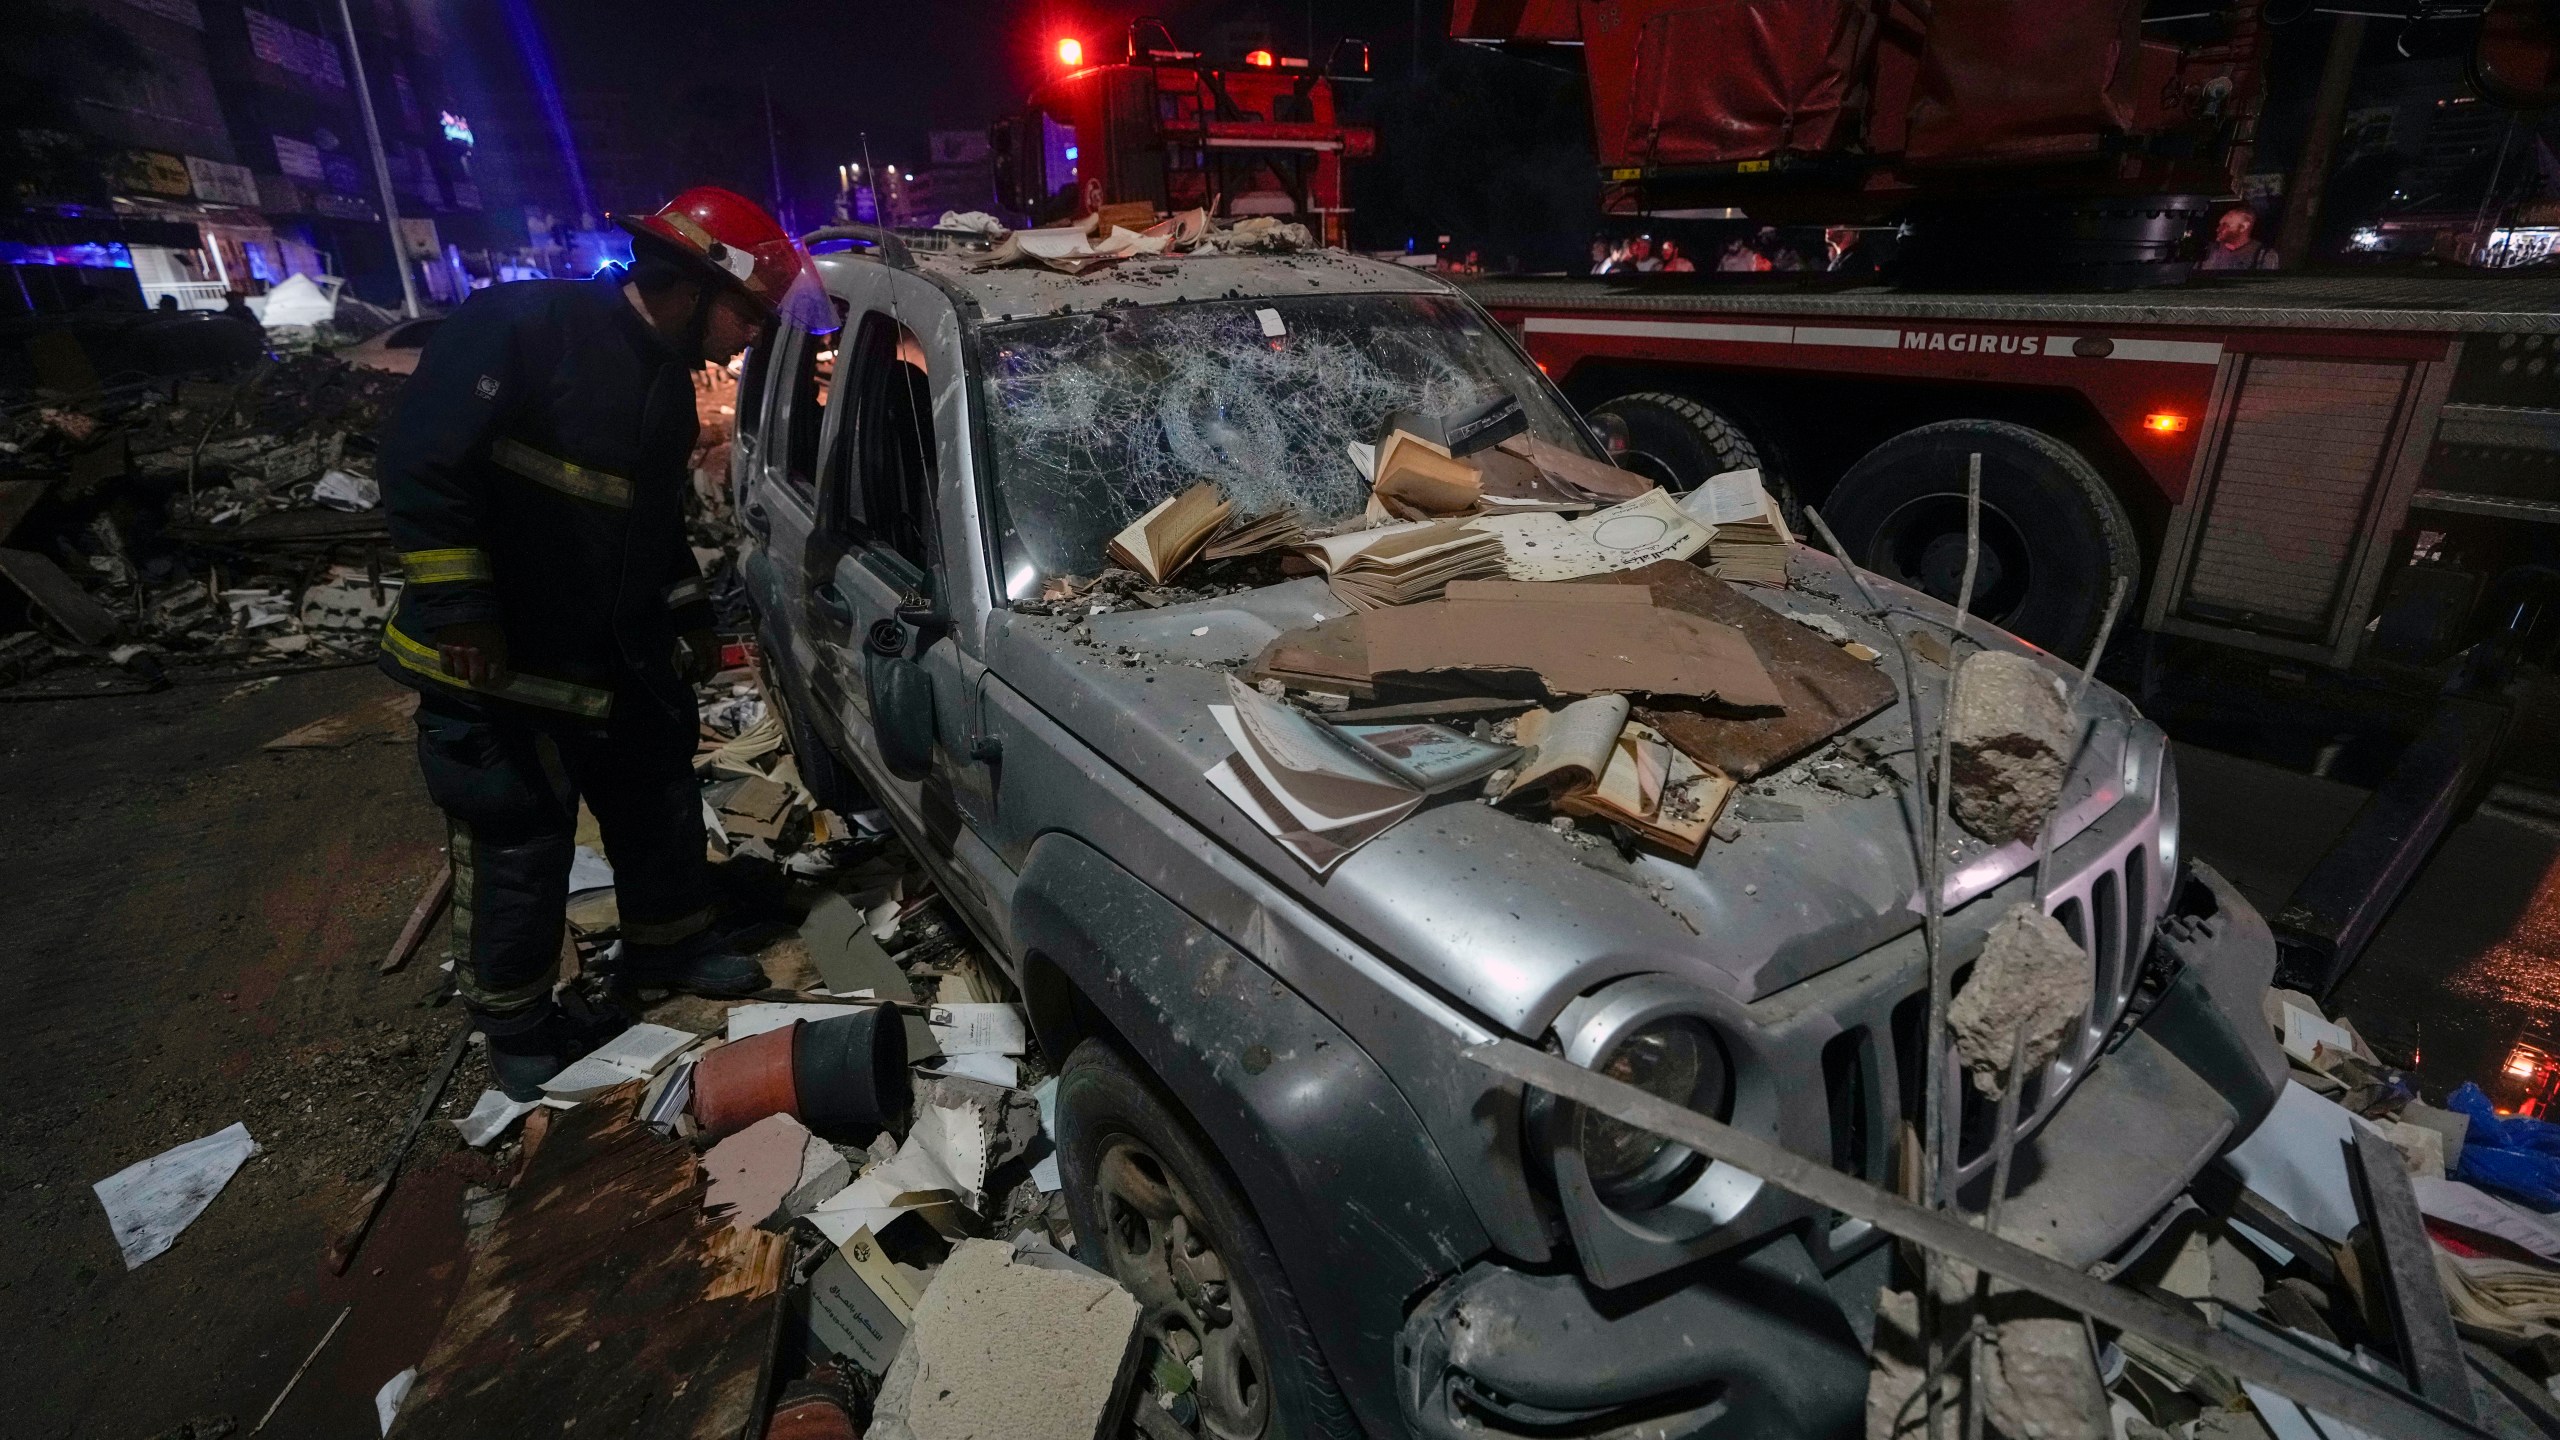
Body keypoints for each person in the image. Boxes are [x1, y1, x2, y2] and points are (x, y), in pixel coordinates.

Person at [375, 185, 840, 1099]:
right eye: (747, 314)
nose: (750, 339)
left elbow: (648, 521)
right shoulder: (524, 325)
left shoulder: (664, 384)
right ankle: (517, 1025)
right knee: (519, 837)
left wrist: (687, 614)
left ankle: (670, 944)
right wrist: (462, 606)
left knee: (656, 784)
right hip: (499, 659)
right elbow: (423, 466)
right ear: (693, 284)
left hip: (607, 651)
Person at [2199, 206, 2278, 271]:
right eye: (2220, 225)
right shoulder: (2209, 250)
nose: (2218, 229)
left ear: (2243, 227)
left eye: (2225, 225)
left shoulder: (2263, 255)